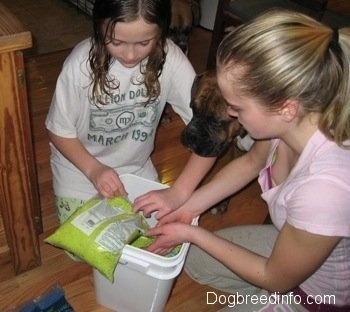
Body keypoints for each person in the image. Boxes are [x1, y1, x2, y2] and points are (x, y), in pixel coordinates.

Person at [134, 9, 350, 311]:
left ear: (285, 107)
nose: (231, 114)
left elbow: (276, 279)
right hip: (290, 247)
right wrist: (187, 206)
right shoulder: (291, 123)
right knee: (195, 261)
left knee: (199, 248)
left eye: (237, 107)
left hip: (315, 298)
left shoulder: (326, 189)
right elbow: (251, 163)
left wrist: (192, 232)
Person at [45, 0, 216, 224]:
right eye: (116, 41)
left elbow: (210, 131)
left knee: (157, 232)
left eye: (144, 42)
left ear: (161, 32)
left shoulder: (171, 60)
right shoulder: (79, 65)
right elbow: (58, 131)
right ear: (99, 28)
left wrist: (180, 192)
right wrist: (94, 169)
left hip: (135, 168)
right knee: (83, 244)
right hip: (79, 166)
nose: (129, 55)